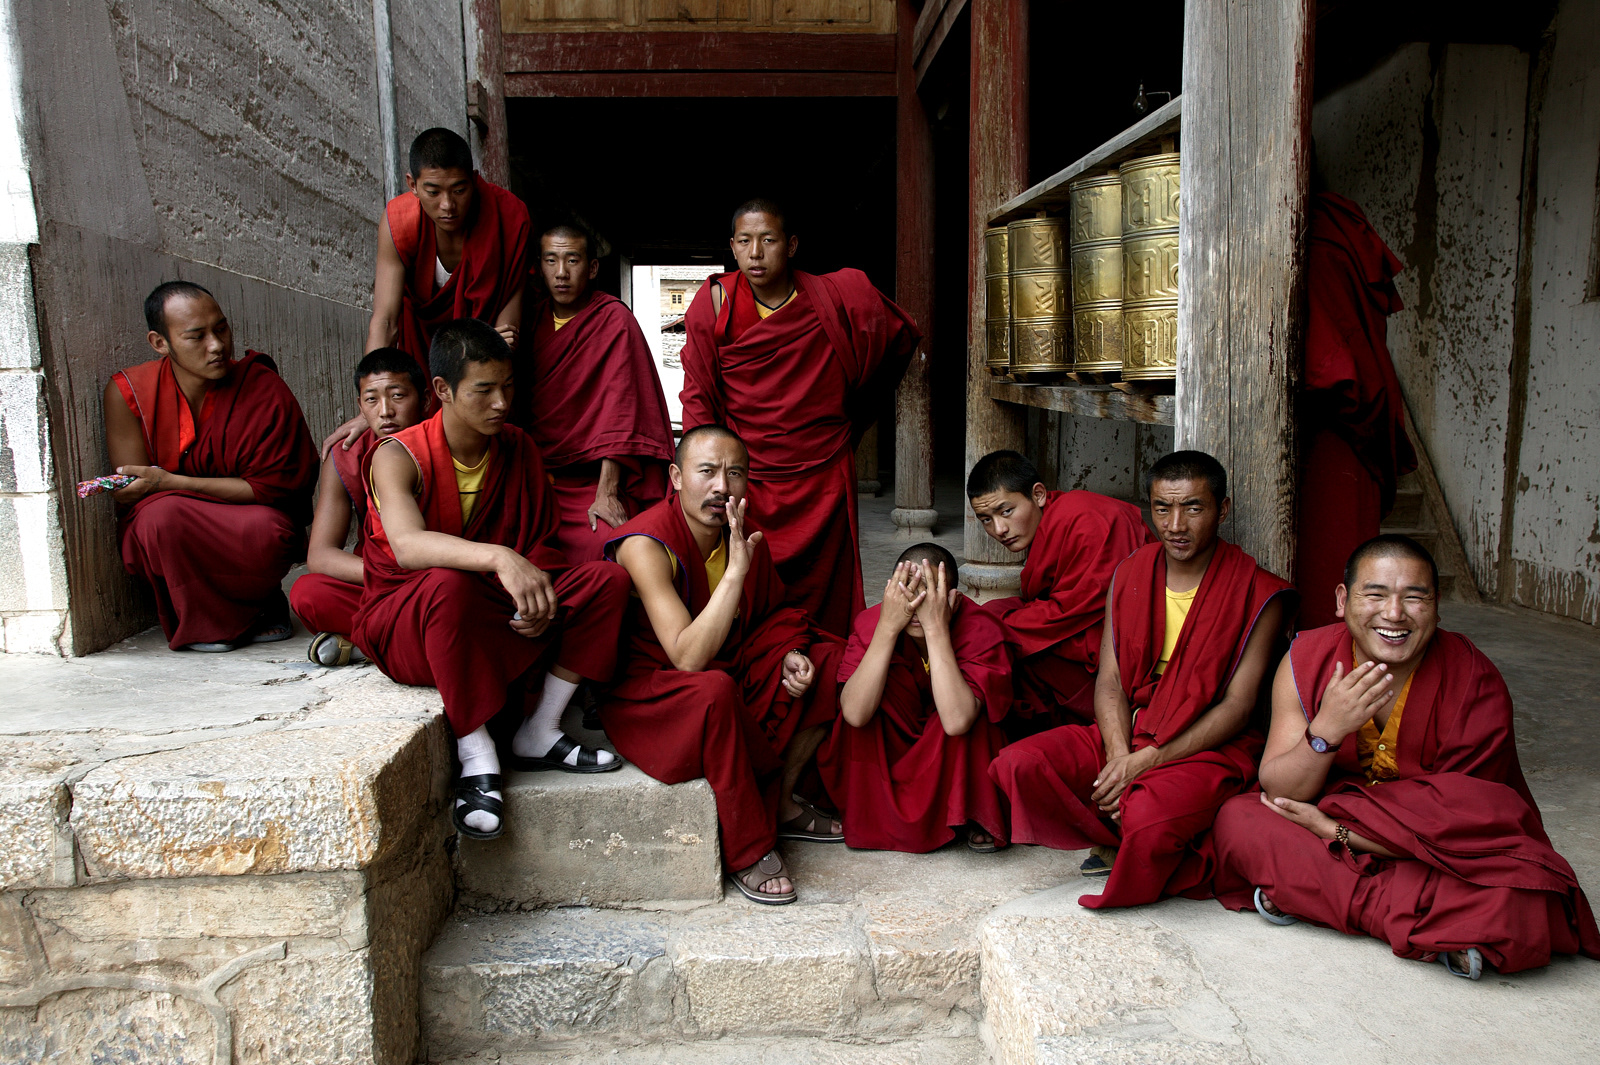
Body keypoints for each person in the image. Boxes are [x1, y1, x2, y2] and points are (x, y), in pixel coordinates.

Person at [1213, 535, 1600, 977]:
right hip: (1361, 827)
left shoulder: (1473, 680)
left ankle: (1313, 897)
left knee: (1518, 894)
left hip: (1426, 847)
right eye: (1375, 594)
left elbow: (1473, 823)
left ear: (1436, 605)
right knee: (1239, 819)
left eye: (1414, 598)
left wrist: (1337, 832)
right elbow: (1280, 789)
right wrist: (1327, 729)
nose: (1394, 614)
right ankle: (1435, 929)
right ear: (1343, 600)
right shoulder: (1306, 658)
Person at [354, 319, 631, 842]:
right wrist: (501, 559)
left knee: (606, 583)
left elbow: (541, 542)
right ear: (442, 391)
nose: (501, 402)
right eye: (484, 390)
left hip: (491, 608)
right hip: (412, 620)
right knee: (446, 584)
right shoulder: (397, 456)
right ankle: (476, 753)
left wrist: (537, 595)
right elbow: (409, 547)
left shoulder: (518, 447)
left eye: (507, 387)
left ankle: (540, 729)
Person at [988, 451, 1296, 907]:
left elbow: (1238, 706)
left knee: (1148, 813)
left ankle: (1133, 828)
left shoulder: (1259, 591)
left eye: (1193, 507)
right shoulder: (1131, 572)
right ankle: (1123, 826)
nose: (1175, 524)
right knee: (1017, 766)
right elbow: (1110, 680)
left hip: (1207, 744)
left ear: (1222, 510)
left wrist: (1147, 762)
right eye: (1161, 508)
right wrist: (1118, 754)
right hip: (1131, 727)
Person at [603, 425, 845, 906]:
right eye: (707, 472)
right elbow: (686, 657)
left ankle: (781, 802)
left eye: (735, 474)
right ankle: (749, 846)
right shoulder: (646, 544)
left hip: (731, 669)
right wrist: (736, 569)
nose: (722, 487)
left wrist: (789, 654)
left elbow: (772, 615)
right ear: (675, 477)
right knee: (713, 689)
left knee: (831, 660)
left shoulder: (740, 537)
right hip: (656, 694)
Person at [679, 199, 920, 638]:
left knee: (824, 583)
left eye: (768, 240)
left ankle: (826, 660)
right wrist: (703, 472)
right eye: (745, 241)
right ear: (731, 247)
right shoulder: (715, 302)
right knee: (747, 573)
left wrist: (853, 420)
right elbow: (698, 392)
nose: (756, 254)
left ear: (790, 246)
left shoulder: (833, 298)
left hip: (822, 466)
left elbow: (895, 341)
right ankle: (760, 661)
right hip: (749, 471)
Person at [105, 282, 318, 652]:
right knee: (158, 519)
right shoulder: (130, 392)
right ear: (160, 342)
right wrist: (141, 488)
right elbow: (132, 494)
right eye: (196, 336)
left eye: (221, 328)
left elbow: (276, 488)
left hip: (250, 518)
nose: (217, 345)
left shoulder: (261, 387)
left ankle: (261, 602)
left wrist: (171, 482)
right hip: (177, 521)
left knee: (268, 530)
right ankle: (204, 621)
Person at [323, 128, 530, 455]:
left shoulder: (509, 216)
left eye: (459, 190)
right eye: (433, 191)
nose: (448, 205)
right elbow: (386, 320)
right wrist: (372, 404)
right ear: (412, 185)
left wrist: (489, 367)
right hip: (421, 343)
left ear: (475, 180)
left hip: (483, 355)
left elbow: (507, 320)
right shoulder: (399, 222)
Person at [818, 543, 1014, 853]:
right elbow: (855, 714)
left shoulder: (980, 630)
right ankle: (877, 816)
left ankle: (969, 809)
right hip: (894, 752)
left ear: (954, 598)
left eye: (929, 596)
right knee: (865, 699)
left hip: (950, 746)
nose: (916, 607)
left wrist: (937, 628)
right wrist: (887, 626)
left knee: (979, 715)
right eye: (907, 594)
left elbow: (957, 720)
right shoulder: (874, 622)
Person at [513, 223, 673, 563]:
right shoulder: (528, 322)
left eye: (572, 260)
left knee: (601, 546)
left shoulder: (612, 321)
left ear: (593, 267)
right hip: (537, 478)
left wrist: (606, 493)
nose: (561, 273)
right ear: (538, 266)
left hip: (593, 480)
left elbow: (621, 412)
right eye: (551, 260)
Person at [1296, 193, 1416, 627]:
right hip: (1360, 405)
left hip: (1334, 426)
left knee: (1328, 567)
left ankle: (1322, 669)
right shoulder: (1340, 228)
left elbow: (1327, 362)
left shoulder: (1318, 242)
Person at [968, 450, 1152, 730]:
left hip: (1117, 637)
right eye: (986, 520)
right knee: (988, 615)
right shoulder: (1051, 522)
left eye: (1006, 511)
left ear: (1038, 495)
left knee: (988, 633)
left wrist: (993, 628)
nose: (1000, 529)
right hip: (1079, 619)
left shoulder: (1086, 519)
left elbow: (1074, 609)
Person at [289, 348, 426, 666]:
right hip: (379, 581)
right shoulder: (347, 455)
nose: (385, 411)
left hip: (435, 578)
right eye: (372, 400)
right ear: (360, 408)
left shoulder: (442, 442)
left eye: (397, 396)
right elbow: (320, 555)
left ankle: (367, 646)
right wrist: (388, 578)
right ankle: (400, 641)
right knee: (308, 593)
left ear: (426, 399)